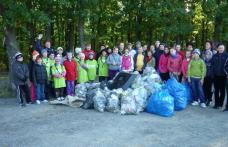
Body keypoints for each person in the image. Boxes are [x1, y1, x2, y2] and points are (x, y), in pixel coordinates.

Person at [211, 44, 228, 109]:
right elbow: (212, 65)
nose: (221, 49)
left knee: (222, 91)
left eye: (222, 48)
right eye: (220, 48)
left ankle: (220, 104)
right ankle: (216, 104)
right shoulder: (214, 56)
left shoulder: (226, 56)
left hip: (223, 76)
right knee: (216, 90)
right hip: (216, 76)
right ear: (217, 49)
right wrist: (212, 73)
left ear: (224, 49)